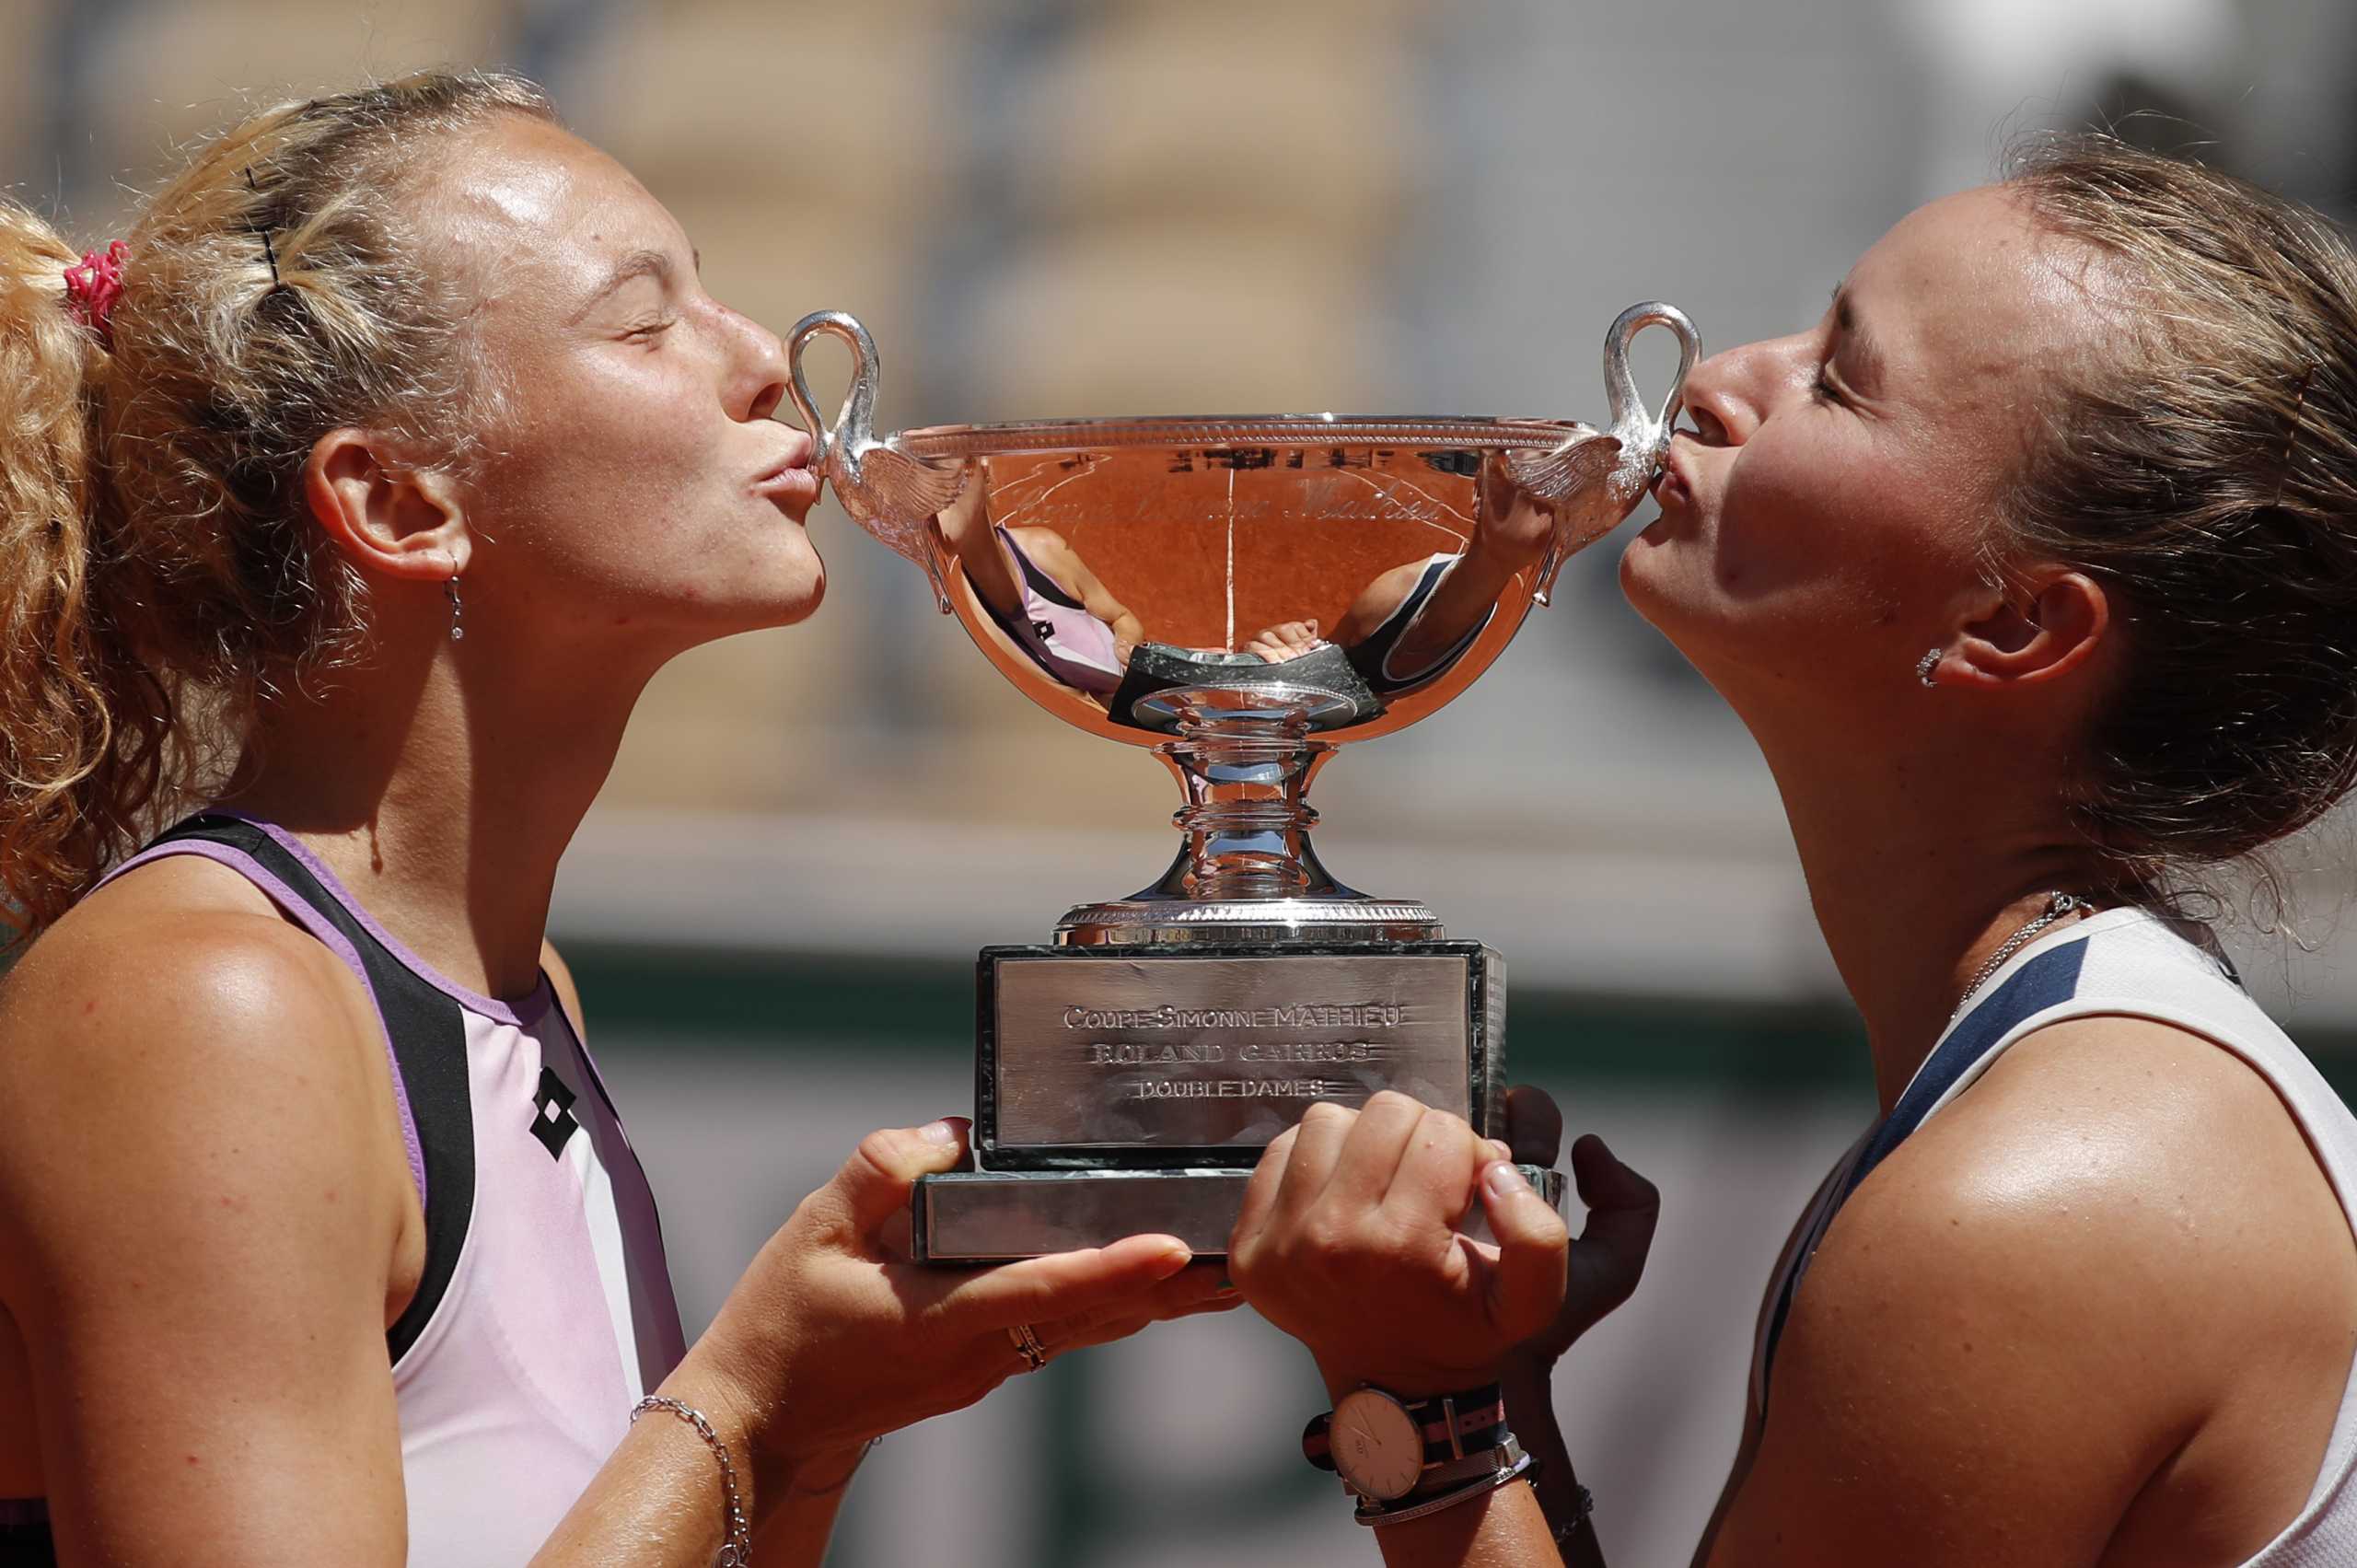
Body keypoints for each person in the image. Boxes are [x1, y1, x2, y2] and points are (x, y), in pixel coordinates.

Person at [0, 72, 1235, 1567]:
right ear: (395, 503)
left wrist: (820, 1428)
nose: (766, 362)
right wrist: (753, 1401)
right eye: (646, 321)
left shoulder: (516, 993)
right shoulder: (205, 1008)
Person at [1229, 134, 2357, 1567]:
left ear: (2014, 626)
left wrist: (1426, 1410)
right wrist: (1499, 1400)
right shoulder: (2058, 1109)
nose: (1717, 379)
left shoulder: (2028, 1208)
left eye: (1838, 379)